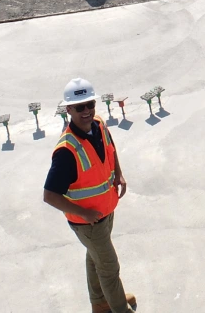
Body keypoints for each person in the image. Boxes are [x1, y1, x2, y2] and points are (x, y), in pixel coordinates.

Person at [43, 78, 137, 313]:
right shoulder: (66, 151)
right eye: (79, 107)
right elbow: (50, 195)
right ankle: (119, 309)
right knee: (109, 267)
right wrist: (84, 213)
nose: (86, 111)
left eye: (90, 104)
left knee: (96, 257)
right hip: (88, 222)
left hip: (105, 211)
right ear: (69, 110)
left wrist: (119, 173)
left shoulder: (99, 124)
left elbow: (111, 149)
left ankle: (101, 303)